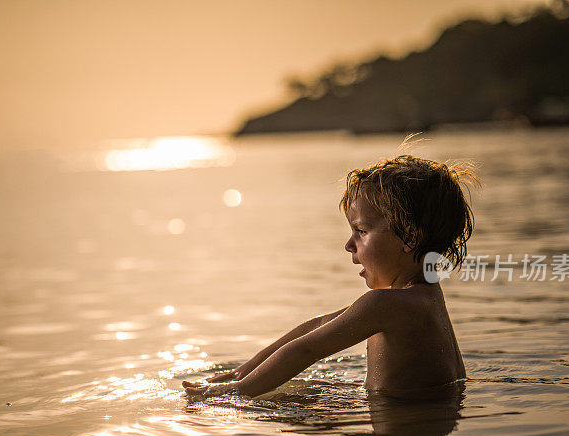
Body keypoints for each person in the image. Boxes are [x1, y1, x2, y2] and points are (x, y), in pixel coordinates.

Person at [183, 154, 478, 400]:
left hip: (402, 435)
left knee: (282, 410)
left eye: (361, 232)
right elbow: (318, 326)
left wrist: (235, 391)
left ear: (410, 237)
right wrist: (243, 370)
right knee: (303, 390)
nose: (349, 245)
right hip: (418, 418)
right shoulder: (423, 297)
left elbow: (308, 348)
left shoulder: (387, 305)